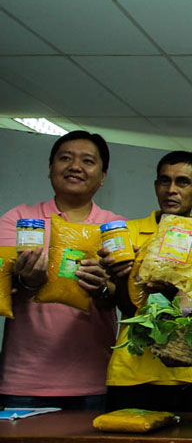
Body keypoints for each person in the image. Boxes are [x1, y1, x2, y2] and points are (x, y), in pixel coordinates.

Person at [0, 130, 123, 411]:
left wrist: (103, 287)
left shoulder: (114, 226)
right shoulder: (20, 219)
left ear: (103, 176)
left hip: (93, 379)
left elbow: (124, 299)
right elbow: (5, 281)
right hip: (23, 380)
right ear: (50, 168)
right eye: (65, 158)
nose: (75, 166)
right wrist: (26, 279)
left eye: (88, 161)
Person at [105, 151, 192, 412]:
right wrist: (123, 280)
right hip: (130, 371)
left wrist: (173, 294)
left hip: (186, 372)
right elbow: (120, 305)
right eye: (165, 181)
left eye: (182, 182)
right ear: (156, 186)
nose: (172, 190)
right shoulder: (126, 232)